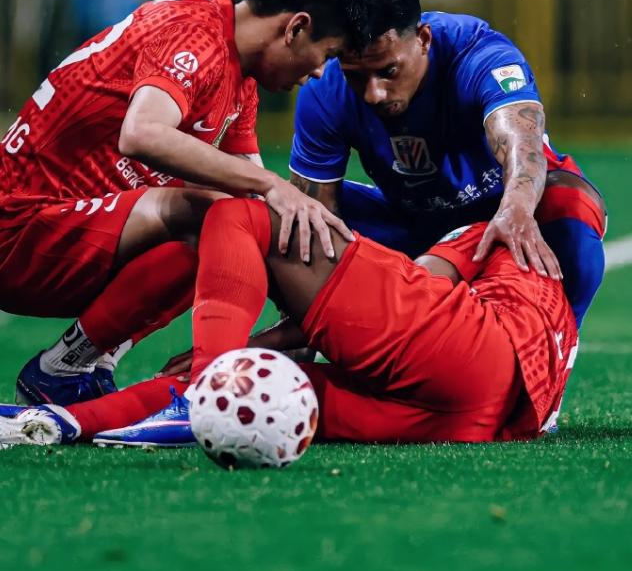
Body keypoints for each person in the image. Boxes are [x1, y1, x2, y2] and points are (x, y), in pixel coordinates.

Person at [0, 0, 365, 406]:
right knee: (210, 213)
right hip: (19, 230)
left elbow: (258, 215)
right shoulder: (193, 32)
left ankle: (76, 367)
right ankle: (69, 367)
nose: (318, 72)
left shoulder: (239, 76)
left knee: (238, 221)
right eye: (327, 55)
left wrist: (294, 320)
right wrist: (271, 183)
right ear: (295, 28)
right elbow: (142, 133)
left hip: (69, 235)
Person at [0, 190, 580, 448]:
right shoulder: (551, 282)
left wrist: (251, 343)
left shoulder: (493, 228)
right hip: (480, 422)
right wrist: (257, 350)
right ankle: (60, 421)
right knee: (253, 394)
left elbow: (424, 284)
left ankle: (179, 378)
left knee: (240, 216)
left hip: (478, 353)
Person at [289, 0, 606, 327]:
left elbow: (522, 141)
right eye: (356, 76)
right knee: (294, 215)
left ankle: (560, 339)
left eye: (388, 71)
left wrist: (516, 208)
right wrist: (305, 319)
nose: (374, 94)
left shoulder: (479, 53)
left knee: (570, 204)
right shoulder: (325, 87)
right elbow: (314, 221)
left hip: (503, 213)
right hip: (415, 221)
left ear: (423, 39)